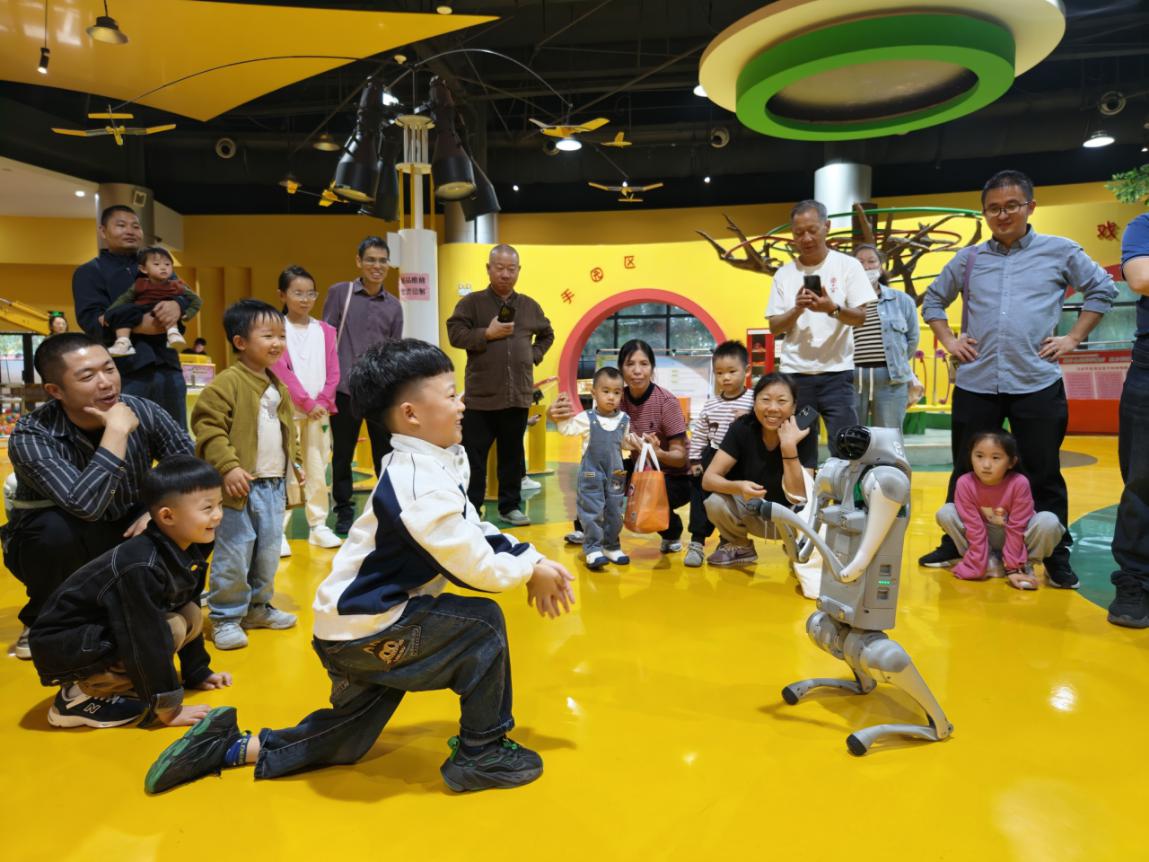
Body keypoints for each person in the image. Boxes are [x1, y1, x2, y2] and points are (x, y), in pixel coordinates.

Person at [143, 339, 576, 796]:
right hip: (368, 628)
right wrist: (530, 569)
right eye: (451, 395)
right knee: (482, 625)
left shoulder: (430, 463)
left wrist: (533, 558)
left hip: (352, 628)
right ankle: (482, 751)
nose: (462, 404)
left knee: (348, 736)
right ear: (411, 414)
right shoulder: (420, 482)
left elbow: (471, 527)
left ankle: (227, 746)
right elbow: (475, 568)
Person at [918, 170, 1116, 588]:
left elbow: (1102, 289)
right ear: (984, 213)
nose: (1003, 214)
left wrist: (1073, 338)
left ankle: (1055, 552)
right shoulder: (969, 259)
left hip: (1035, 381)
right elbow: (933, 299)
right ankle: (957, 543)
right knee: (965, 469)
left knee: (1043, 471)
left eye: (1012, 205)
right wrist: (949, 340)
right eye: (994, 208)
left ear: (1030, 206)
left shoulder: (1060, 251)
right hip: (976, 382)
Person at [2, 334, 193, 660]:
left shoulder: (144, 410)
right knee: (52, 532)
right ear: (55, 390)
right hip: (68, 533)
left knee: (193, 512)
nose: (106, 383)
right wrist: (116, 432)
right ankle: (45, 618)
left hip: (127, 522)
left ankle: (164, 600)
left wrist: (157, 510)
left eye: (109, 369)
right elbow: (85, 507)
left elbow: (189, 470)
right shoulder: (33, 434)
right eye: (87, 376)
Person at [28, 455, 232, 729]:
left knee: (191, 614)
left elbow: (186, 599)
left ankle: (115, 683)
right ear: (167, 516)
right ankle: (78, 695)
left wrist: (197, 671)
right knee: (168, 628)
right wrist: (168, 709)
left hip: (99, 633)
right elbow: (143, 635)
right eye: (207, 508)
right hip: (65, 645)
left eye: (219, 504)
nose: (218, 515)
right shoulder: (141, 565)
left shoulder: (190, 546)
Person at [191, 300, 298, 651]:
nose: (277, 342)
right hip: (237, 488)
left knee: (267, 552)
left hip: (272, 484)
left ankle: (257, 607)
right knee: (234, 553)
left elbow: (287, 432)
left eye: (281, 335)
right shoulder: (228, 382)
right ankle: (225, 616)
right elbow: (207, 427)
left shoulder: (277, 384)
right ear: (240, 342)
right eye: (268, 335)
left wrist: (295, 464)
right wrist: (228, 466)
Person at [447, 244, 555, 527]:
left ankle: (510, 506)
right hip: (481, 397)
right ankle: (471, 509)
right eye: (499, 268)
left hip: (517, 395)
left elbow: (547, 334)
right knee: (474, 457)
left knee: (512, 456)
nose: (505, 274)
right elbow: (455, 334)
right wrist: (487, 333)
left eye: (511, 269)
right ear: (488, 269)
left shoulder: (529, 306)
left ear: (518, 271)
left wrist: (533, 354)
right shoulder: (472, 303)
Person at [550, 339, 690, 553]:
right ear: (621, 369)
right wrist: (555, 416)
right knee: (600, 475)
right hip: (639, 468)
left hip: (674, 476)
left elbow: (680, 458)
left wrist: (658, 452)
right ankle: (585, 529)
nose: (637, 371)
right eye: (630, 364)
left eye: (644, 364)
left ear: (652, 368)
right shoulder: (616, 396)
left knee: (647, 495)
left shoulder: (666, 402)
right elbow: (592, 424)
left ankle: (672, 531)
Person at [766, 199, 873, 456]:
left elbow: (861, 317)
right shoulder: (784, 274)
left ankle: (846, 486)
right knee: (800, 447)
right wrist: (797, 309)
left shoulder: (848, 266)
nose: (806, 238)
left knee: (847, 444)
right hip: (796, 378)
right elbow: (774, 327)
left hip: (837, 376)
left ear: (827, 227)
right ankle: (803, 485)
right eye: (799, 233)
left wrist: (831, 308)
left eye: (812, 230)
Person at [72, 205, 191, 426]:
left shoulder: (156, 265)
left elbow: (185, 296)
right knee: (127, 438)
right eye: (121, 225)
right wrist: (138, 323)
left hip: (168, 367)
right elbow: (90, 320)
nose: (130, 231)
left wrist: (178, 305)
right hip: (124, 371)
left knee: (176, 436)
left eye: (135, 226)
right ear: (103, 231)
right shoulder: (90, 271)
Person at [322, 236, 403, 536]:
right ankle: (344, 509)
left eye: (382, 261)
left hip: (379, 392)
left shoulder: (394, 306)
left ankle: (384, 509)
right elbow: (326, 338)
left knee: (386, 453)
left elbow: (393, 351)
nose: (376, 266)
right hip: (344, 390)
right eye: (370, 259)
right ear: (359, 261)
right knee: (342, 454)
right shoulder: (339, 294)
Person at [701, 372, 819, 567]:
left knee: (814, 516)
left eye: (782, 401)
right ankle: (740, 545)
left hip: (791, 519)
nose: (772, 408)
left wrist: (788, 445)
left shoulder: (804, 433)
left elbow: (799, 496)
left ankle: (796, 547)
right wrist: (739, 487)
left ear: (794, 407)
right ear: (754, 402)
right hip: (752, 511)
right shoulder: (742, 427)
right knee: (715, 502)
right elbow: (709, 479)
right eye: (765, 400)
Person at [936, 431, 1064, 590]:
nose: (986, 465)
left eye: (996, 458)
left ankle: (1024, 565)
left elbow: (1017, 527)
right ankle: (987, 560)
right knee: (946, 512)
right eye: (979, 456)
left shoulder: (1019, 483)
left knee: (1049, 521)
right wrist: (976, 565)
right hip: (985, 535)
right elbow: (974, 528)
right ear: (970, 457)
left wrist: (1013, 568)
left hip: (1017, 537)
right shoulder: (964, 483)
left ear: (1011, 462)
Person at [271, 265, 342, 551]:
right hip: (288, 411)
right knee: (285, 468)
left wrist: (322, 402)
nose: (305, 299)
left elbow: (334, 371)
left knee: (318, 467)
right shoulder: (276, 329)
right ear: (282, 295)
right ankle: (278, 530)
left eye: (310, 293)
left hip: (318, 413)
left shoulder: (325, 331)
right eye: (297, 293)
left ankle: (318, 525)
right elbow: (281, 370)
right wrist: (307, 402)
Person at [1109, 212, 1149, 627]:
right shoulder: (1144, 226)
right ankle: (1135, 579)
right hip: (1148, 371)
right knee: (1141, 480)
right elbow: (1141, 278)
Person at [554, 366, 633, 570]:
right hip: (591, 474)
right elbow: (567, 429)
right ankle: (593, 548)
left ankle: (611, 546)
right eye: (605, 391)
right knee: (592, 511)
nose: (611, 397)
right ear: (594, 393)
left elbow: (624, 443)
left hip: (616, 474)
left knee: (615, 510)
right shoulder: (586, 418)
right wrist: (561, 415)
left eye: (616, 392)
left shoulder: (624, 420)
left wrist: (638, 443)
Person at [684, 340, 754, 568]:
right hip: (713, 455)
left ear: (747, 371)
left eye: (732, 371)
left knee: (732, 499)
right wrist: (695, 459)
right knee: (700, 494)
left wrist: (750, 419)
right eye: (720, 373)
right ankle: (697, 541)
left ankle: (729, 539)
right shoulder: (712, 404)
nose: (726, 378)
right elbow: (700, 433)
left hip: (742, 460)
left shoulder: (754, 400)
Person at [852, 244, 920, 430]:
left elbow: (912, 339)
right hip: (852, 381)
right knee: (851, 436)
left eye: (872, 261)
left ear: (881, 267)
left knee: (888, 437)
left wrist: (897, 363)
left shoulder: (902, 300)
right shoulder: (842, 302)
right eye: (860, 263)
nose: (866, 267)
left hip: (891, 379)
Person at [106, 246, 202, 356]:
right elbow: (124, 298)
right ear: (143, 269)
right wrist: (110, 312)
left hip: (164, 316)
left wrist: (188, 314)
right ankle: (123, 343)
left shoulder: (177, 285)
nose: (163, 268)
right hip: (141, 311)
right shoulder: (140, 284)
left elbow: (196, 300)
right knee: (126, 310)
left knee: (166, 306)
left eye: (167, 264)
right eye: (156, 264)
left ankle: (173, 334)